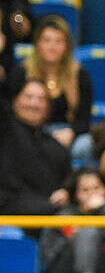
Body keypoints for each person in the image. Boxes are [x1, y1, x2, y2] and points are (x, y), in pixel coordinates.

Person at [18, 15, 93, 165]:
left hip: (65, 132)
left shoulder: (79, 74)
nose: (52, 46)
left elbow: (84, 119)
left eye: (58, 41)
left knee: (86, 144)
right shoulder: (22, 71)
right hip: (29, 132)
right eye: (47, 40)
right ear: (37, 43)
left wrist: (71, 133)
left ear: (67, 46)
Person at [0, 77, 69, 214]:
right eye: (28, 96)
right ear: (15, 101)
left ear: (48, 108)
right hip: (9, 206)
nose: (34, 104)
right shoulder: (5, 128)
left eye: (41, 99)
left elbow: (68, 179)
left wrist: (66, 191)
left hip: (48, 212)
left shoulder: (56, 147)